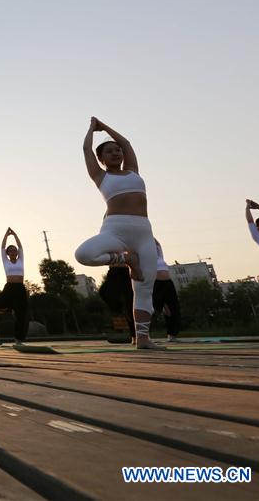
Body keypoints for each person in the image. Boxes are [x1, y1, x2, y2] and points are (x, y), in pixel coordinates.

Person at [74, 117, 163, 350]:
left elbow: (127, 143)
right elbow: (86, 149)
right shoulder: (100, 176)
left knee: (144, 287)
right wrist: (93, 129)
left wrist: (107, 127)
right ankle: (125, 259)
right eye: (109, 152)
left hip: (143, 232)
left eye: (117, 151)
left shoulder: (133, 171)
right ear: (101, 160)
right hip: (116, 230)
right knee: (84, 254)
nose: (116, 153)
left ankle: (143, 339)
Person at [0, 228, 29, 344]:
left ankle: (18, 339)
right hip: (9, 287)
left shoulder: (20, 259)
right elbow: (2, 248)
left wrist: (15, 235)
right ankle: (9, 308)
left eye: (14, 250)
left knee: (21, 316)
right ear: (8, 254)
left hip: (20, 288)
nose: (13, 252)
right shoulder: (6, 261)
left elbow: (21, 247)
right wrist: (6, 235)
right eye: (11, 251)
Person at [152, 240, 181, 341]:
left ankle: (172, 335)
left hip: (168, 283)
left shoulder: (160, 257)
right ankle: (144, 335)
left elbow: (158, 244)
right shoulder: (146, 257)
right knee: (154, 309)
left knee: (173, 308)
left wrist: (149, 233)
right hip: (155, 284)